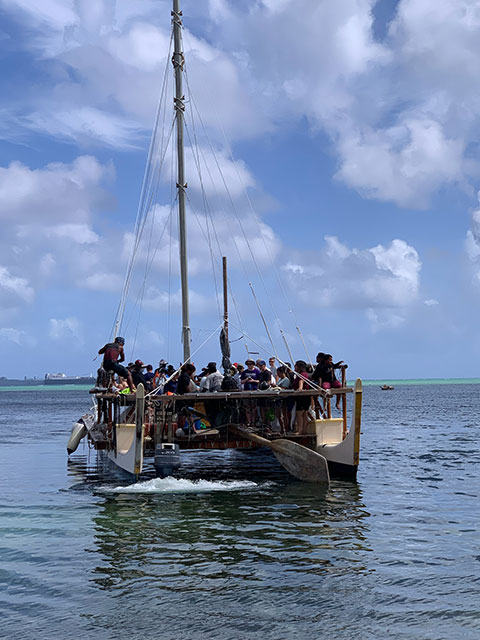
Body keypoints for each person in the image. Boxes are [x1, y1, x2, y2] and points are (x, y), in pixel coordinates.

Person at [293, 360, 311, 435]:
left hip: (303, 397)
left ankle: (300, 430)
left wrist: (300, 388)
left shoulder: (302, 374)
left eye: (296, 366)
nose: (294, 367)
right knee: (304, 414)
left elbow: (301, 381)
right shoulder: (303, 374)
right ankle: (303, 430)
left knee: (299, 414)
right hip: (305, 397)